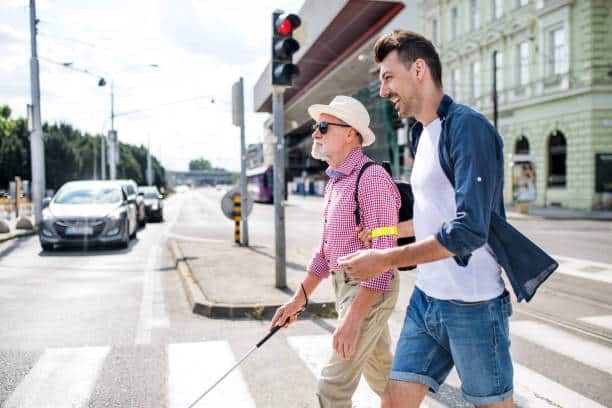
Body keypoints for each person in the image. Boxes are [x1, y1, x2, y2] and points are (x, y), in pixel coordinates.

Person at [338, 30, 516, 407]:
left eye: (388, 77)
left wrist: (384, 259)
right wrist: (383, 233)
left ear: (418, 69)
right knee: (393, 402)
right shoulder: (422, 134)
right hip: (428, 300)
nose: (384, 90)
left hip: (474, 306)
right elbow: (434, 217)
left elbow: (468, 230)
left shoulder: (468, 128)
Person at [270, 95, 402, 408]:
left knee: (332, 389)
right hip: (346, 286)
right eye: (317, 127)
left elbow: (384, 256)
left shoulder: (371, 180)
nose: (315, 133)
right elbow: (325, 252)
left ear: (350, 134)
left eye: (323, 127)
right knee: (385, 379)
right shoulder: (336, 182)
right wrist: (296, 301)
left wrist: (354, 317)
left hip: (370, 289)